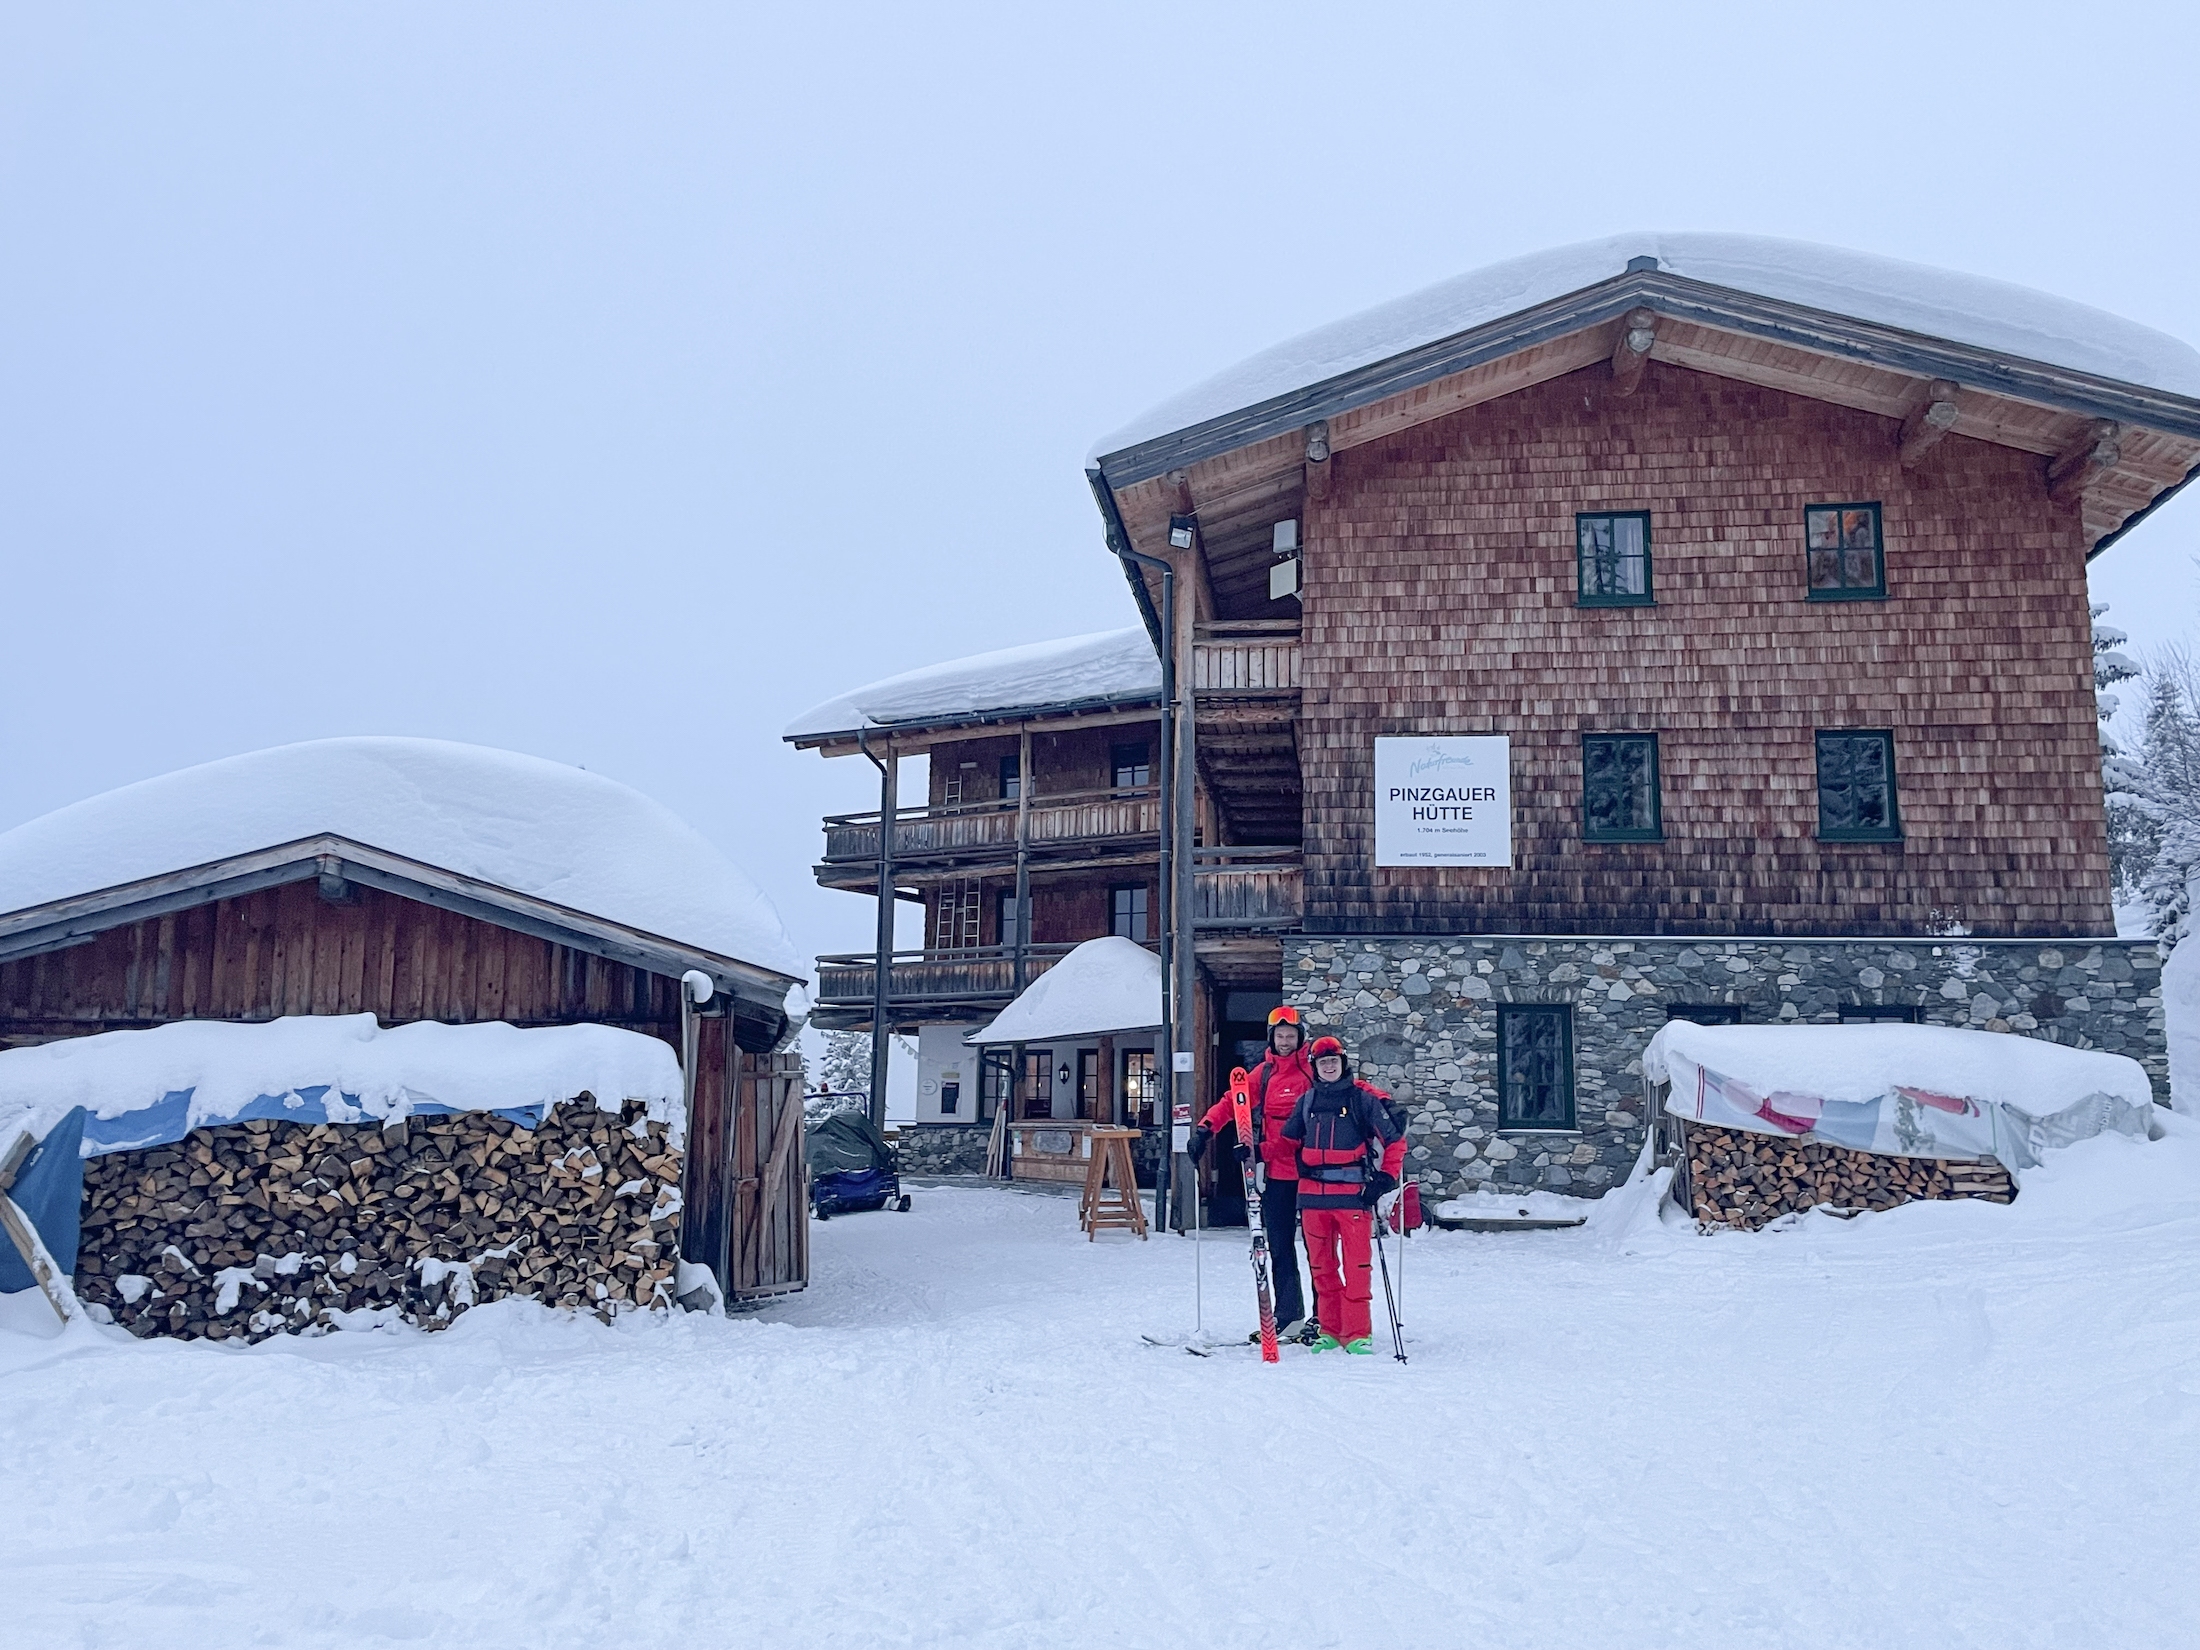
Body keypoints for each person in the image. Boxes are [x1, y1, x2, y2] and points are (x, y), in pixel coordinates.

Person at [1186, 1006, 1314, 1341]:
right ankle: (1289, 1317)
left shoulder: (1313, 1071)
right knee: (1280, 1245)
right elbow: (1234, 1101)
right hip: (1278, 1173)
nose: (1285, 1042)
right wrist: (1205, 1129)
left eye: (1291, 1036)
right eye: (1280, 1036)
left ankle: (1327, 1319)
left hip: (1316, 1172)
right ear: (1272, 1038)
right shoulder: (1265, 1073)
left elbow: (1351, 1089)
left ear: (1300, 1037)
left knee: (1320, 1248)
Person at [1282, 1035, 1405, 1354]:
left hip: (1354, 1197)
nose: (1329, 1067)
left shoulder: (1362, 1098)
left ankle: (1358, 1333)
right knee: (1321, 1269)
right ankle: (1331, 1330)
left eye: (1334, 1061)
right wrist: (1252, 1151)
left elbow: (1395, 1140)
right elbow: (1287, 1143)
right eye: (1323, 1062)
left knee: (1357, 1267)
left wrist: (1386, 1177)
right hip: (1312, 1200)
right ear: (1315, 1067)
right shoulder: (1307, 1100)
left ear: (1343, 1063)